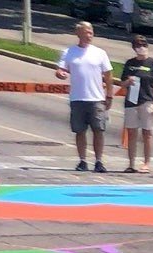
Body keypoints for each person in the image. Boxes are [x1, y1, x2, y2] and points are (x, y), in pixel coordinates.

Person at [55, 21, 113, 173]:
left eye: (91, 32)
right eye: (86, 32)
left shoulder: (100, 53)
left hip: (96, 98)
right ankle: (82, 161)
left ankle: (99, 161)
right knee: (80, 131)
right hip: (77, 98)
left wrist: (109, 95)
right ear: (78, 34)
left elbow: (108, 76)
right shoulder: (69, 52)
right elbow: (61, 69)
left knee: (98, 130)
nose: (89, 35)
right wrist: (60, 73)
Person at [120, 35, 153, 174]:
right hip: (131, 101)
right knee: (131, 132)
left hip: (147, 100)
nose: (141, 48)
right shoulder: (130, 63)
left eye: (143, 45)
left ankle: (146, 163)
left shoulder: (152, 64)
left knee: (147, 132)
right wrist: (128, 81)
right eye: (138, 46)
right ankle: (131, 163)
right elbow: (122, 83)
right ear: (134, 48)